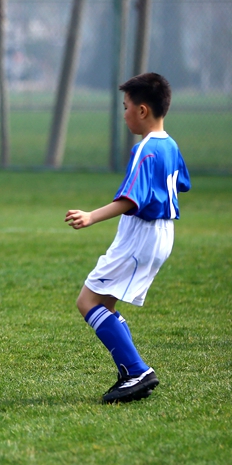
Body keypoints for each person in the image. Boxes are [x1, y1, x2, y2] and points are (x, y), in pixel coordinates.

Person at [66, 72, 190, 404]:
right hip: (164, 231)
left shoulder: (145, 149)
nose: (123, 114)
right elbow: (180, 184)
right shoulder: (170, 144)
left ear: (143, 110)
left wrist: (91, 216)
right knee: (104, 304)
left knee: (87, 302)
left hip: (141, 234)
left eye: (126, 107)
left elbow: (130, 200)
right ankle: (128, 371)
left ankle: (137, 370)